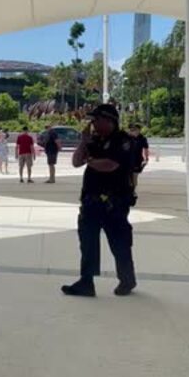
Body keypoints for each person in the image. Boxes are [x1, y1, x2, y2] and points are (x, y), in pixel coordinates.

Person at [62, 104, 137, 298]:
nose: (92, 123)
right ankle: (86, 282)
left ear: (109, 120)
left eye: (96, 119)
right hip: (91, 202)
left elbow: (109, 165)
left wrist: (90, 161)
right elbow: (76, 162)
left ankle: (127, 279)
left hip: (115, 203)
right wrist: (84, 142)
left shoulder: (123, 141)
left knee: (119, 243)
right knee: (87, 243)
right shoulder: (94, 140)